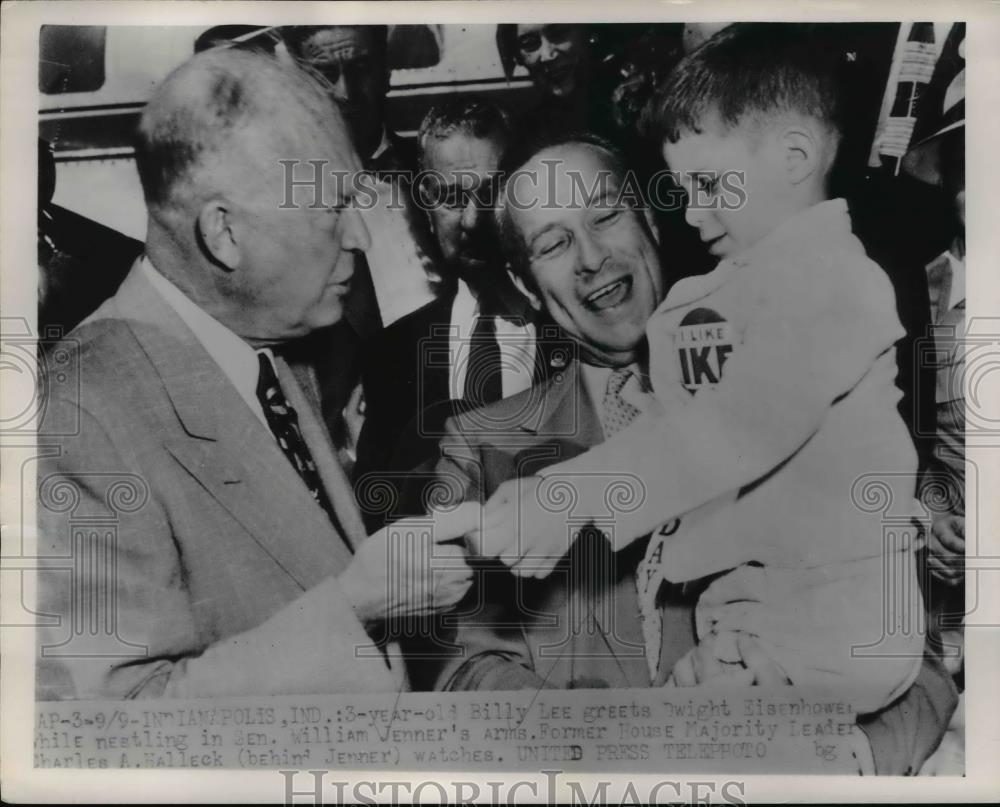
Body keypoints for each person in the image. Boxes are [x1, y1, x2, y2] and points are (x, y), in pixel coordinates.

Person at [433, 129, 957, 774]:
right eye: (553, 244)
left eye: (605, 216)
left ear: (650, 219)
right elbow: (462, 672)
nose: (591, 257)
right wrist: (655, 743)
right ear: (523, 282)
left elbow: (924, 659)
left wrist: (838, 755)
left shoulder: (801, 389)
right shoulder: (483, 444)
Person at [479, 24, 926, 712]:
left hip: (838, 616)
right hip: (765, 613)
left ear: (795, 157)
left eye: (708, 184)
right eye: (681, 189)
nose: (691, 213)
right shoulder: (735, 292)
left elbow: (739, 426)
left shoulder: (838, 282)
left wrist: (573, 494)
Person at [34, 48, 476, 700]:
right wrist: (354, 606)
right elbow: (113, 728)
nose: (360, 236)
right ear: (224, 234)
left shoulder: (275, 350)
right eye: (331, 209)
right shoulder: (76, 419)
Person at [355, 98, 553, 530]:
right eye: (450, 197)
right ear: (425, 202)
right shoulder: (392, 353)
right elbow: (378, 511)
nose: (473, 220)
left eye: (490, 193)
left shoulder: (573, 326)